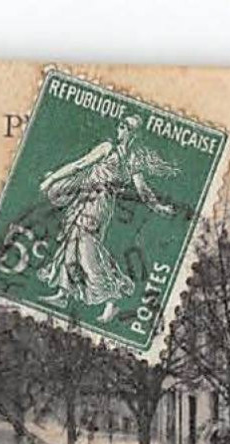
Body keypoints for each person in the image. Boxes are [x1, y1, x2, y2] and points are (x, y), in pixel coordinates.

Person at [36, 114, 178, 324]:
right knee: (72, 243)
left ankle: (112, 298)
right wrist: (54, 179)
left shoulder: (126, 156)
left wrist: (157, 206)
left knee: (87, 249)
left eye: (124, 126)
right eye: (120, 125)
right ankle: (63, 294)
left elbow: (141, 189)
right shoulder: (117, 152)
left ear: (133, 133)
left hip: (97, 204)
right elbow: (80, 165)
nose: (119, 129)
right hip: (89, 200)